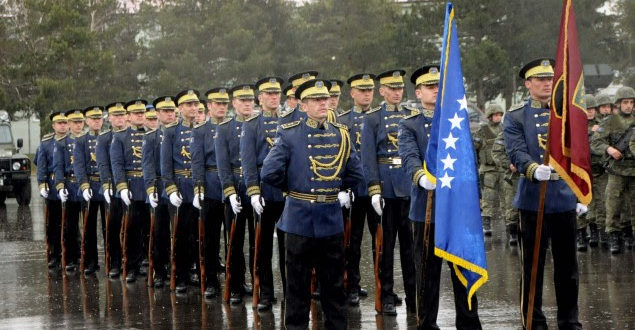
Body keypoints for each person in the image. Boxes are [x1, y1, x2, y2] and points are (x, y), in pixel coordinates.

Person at [261, 79, 363, 329]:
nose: (323, 103)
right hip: (299, 221)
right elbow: (269, 172)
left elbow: (356, 172)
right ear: (303, 105)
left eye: (325, 99)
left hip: (330, 219)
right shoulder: (289, 132)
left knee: (334, 289)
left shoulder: (341, 134)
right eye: (316, 100)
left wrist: (336, 189)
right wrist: (296, 189)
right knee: (297, 290)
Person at [503, 58, 584, 329]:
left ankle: (569, 321)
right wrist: (532, 168)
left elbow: (580, 154)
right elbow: (515, 150)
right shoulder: (515, 116)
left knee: (568, 269)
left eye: (549, 78)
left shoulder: (565, 113)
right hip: (533, 198)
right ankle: (533, 321)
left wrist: (582, 193)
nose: (547, 83)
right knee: (533, 268)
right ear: (528, 84)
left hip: (563, 196)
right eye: (540, 79)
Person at [399, 65, 482, 329]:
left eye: (439, 86)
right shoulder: (410, 125)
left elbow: (470, 160)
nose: (436, 90)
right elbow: (409, 156)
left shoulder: (457, 120)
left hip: (457, 208)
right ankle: (427, 325)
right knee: (427, 276)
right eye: (430, 86)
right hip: (427, 207)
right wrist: (420, 177)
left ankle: (468, 324)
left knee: (463, 271)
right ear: (419, 92)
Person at [360, 69, 416, 315]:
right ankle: (386, 296)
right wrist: (373, 188)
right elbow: (368, 157)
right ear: (382, 91)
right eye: (391, 89)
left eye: (400, 88)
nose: (396, 93)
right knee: (385, 246)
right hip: (385, 188)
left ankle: (415, 295)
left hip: (409, 186)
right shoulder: (373, 118)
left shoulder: (411, 116)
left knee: (410, 247)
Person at [240, 77, 287, 310]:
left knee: (290, 246)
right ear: (260, 98)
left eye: (276, 93)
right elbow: (248, 163)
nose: (273, 97)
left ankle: (290, 291)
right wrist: (253, 192)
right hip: (264, 191)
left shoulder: (290, 121)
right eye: (268, 94)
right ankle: (266, 293)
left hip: (287, 190)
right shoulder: (251, 125)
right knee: (263, 246)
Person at [336, 72, 378, 305]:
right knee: (351, 241)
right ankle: (352, 284)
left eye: (370, 90)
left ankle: (383, 287)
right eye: (362, 91)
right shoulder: (343, 121)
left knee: (380, 242)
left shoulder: (379, 118)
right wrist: (343, 187)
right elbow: (339, 159)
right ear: (352, 94)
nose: (366, 94)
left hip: (374, 189)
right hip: (353, 190)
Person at [215, 84, 256, 304]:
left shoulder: (259, 125)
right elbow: (223, 166)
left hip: (256, 190)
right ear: (235, 103)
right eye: (243, 100)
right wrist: (230, 192)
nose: (248, 104)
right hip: (237, 190)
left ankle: (256, 282)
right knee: (235, 240)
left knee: (257, 241)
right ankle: (236, 285)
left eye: (250, 100)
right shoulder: (224, 129)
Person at [190, 89, 228, 297]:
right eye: (217, 103)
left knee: (234, 239)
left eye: (224, 104)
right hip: (211, 188)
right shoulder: (201, 131)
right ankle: (211, 280)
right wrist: (198, 187)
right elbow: (197, 162)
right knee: (211, 239)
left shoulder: (233, 127)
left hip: (231, 188)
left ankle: (236, 281)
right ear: (209, 106)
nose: (222, 107)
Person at [161, 89, 200, 293]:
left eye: (195, 105)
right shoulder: (170, 131)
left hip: (199, 188)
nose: (193, 108)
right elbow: (165, 165)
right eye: (188, 105)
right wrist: (171, 189)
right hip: (180, 188)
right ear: (180, 108)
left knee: (198, 234)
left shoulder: (203, 128)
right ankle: (180, 275)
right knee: (180, 235)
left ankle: (197, 273)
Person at [591, 86, 634, 254]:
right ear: (618, 104)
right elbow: (596, 142)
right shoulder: (609, 121)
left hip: (634, 170)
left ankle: (629, 235)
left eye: (631, 102)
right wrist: (609, 149)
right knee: (613, 205)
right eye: (625, 102)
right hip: (616, 171)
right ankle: (614, 237)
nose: (629, 106)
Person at [110, 99, 150, 283]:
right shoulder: (120, 137)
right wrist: (122, 187)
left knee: (150, 229)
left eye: (142, 113)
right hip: (132, 186)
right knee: (132, 229)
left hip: (149, 186)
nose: (140, 116)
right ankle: (131, 266)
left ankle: (149, 263)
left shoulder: (153, 134)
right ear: (129, 116)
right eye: (136, 113)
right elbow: (117, 165)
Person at [143, 96, 177, 288]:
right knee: (160, 233)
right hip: (158, 187)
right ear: (157, 114)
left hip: (176, 187)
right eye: (165, 111)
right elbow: (147, 166)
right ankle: (160, 271)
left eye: (172, 111)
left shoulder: (181, 134)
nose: (169, 114)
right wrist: (150, 189)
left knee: (182, 232)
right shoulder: (151, 138)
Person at [73, 105, 106, 275]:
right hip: (90, 187)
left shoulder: (108, 137)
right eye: (93, 119)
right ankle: (91, 262)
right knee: (89, 227)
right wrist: (84, 185)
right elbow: (78, 166)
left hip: (106, 186)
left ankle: (111, 261)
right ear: (87, 121)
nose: (97, 121)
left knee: (110, 228)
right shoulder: (81, 140)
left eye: (99, 118)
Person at [97, 102, 128, 278]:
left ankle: (132, 261)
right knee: (113, 227)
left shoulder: (133, 136)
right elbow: (102, 164)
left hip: (130, 186)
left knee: (133, 227)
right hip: (113, 188)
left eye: (122, 115)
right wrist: (107, 186)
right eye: (115, 116)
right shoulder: (104, 138)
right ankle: (115, 262)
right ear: (109, 118)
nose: (119, 119)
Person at [54, 109, 86, 273]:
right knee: (71, 226)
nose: (78, 125)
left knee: (88, 225)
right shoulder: (61, 143)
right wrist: (60, 186)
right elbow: (58, 167)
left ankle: (86, 258)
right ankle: (72, 258)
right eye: (75, 122)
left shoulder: (89, 140)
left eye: (80, 122)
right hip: (71, 186)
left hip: (86, 187)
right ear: (69, 124)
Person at [37, 111, 68, 270]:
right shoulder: (46, 142)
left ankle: (70, 256)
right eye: (59, 123)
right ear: (53, 126)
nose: (63, 125)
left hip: (69, 186)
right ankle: (55, 256)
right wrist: (42, 184)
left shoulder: (72, 141)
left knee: (70, 225)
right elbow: (41, 165)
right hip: (52, 187)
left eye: (64, 122)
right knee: (53, 225)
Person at [473, 104, 505, 236]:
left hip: (503, 169)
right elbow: (474, 148)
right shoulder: (482, 131)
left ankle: (510, 223)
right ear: (490, 116)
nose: (498, 117)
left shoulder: (505, 129)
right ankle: (486, 223)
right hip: (488, 170)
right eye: (495, 115)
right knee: (488, 197)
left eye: (500, 115)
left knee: (506, 198)